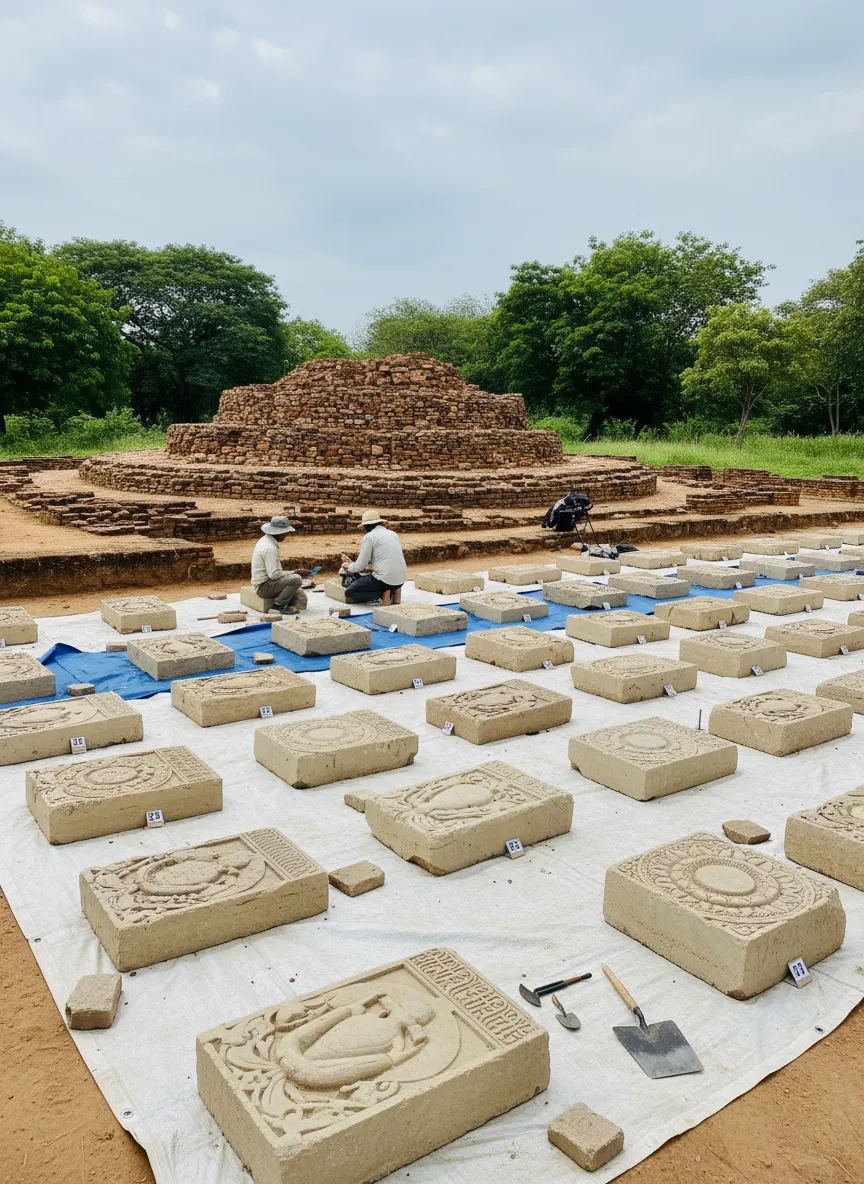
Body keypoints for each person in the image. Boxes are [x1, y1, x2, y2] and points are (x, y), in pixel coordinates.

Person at [341, 509, 406, 605]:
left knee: (350, 592)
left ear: (366, 526)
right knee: (375, 578)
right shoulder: (393, 534)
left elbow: (360, 566)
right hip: (401, 579)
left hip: (385, 580)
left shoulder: (369, 537)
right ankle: (394, 591)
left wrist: (349, 567)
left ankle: (384, 593)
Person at [251, 515, 312, 613]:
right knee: (296, 579)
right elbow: (274, 575)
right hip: (263, 588)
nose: (286, 535)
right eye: (285, 533)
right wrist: (295, 572)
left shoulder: (264, 540)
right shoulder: (270, 548)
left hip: (263, 584)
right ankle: (278, 606)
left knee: (296, 588)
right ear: (279, 533)